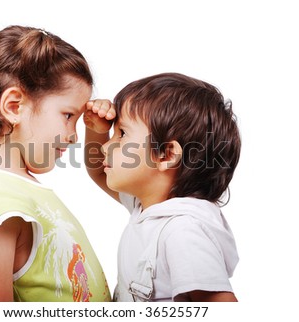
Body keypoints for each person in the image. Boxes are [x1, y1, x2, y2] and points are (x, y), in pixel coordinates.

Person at [0, 25, 111, 302]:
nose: (73, 137)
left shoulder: (21, 190)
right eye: (68, 115)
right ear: (13, 107)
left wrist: (98, 131)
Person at [84, 72, 241, 302]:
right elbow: (99, 170)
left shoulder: (182, 231)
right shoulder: (147, 206)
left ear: (166, 154)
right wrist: (98, 129)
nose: (107, 146)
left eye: (122, 134)